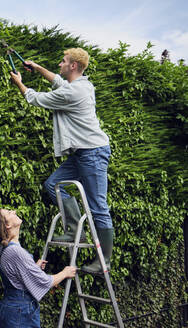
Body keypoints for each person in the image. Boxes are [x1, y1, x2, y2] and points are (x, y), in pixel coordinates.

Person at [9, 48, 113, 273]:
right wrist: (36, 68)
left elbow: (36, 98)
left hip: (93, 152)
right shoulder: (82, 85)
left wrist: (19, 82)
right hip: (82, 153)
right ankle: (76, 229)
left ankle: (104, 261)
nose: (59, 64)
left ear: (73, 66)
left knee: (98, 207)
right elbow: (57, 81)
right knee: (53, 185)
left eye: (63, 61)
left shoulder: (73, 93)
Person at [0, 207, 77, 328]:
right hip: (20, 312)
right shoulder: (15, 251)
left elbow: (16, 274)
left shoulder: (3, 248)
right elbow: (44, 281)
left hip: (12, 309)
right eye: (9, 212)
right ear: (7, 225)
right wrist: (65, 273)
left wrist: (34, 267)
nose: (14, 211)